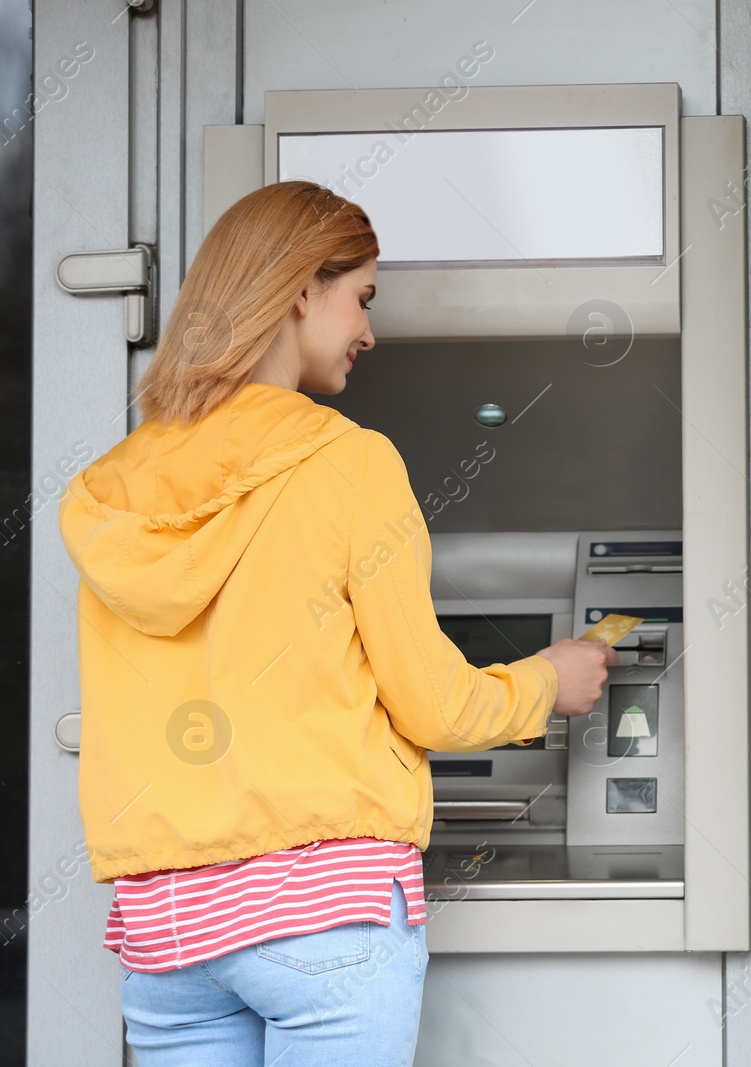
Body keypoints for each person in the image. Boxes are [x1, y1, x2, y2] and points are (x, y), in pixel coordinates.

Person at [56, 180, 616, 1066]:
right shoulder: (348, 463)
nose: (369, 331)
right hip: (325, 914)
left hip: (169, 934)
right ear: (297, 291)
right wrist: (548, 679)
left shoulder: (116, 493)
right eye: (361, 298)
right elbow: (432, 705)